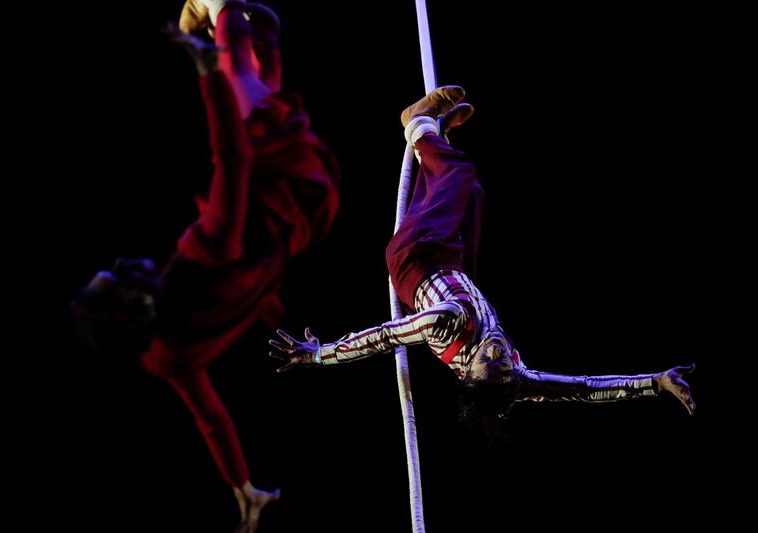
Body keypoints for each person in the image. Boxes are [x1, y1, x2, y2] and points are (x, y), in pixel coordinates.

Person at [269, 86, 695, 438]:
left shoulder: (446, 322)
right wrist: (653, 383)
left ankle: (417, 123)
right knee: (471, 196)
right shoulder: (513, 378)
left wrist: (320, 354)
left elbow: (383, 337)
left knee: (458, 176)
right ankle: (437, 136)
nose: (497, 355)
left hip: (417, 259)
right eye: (504, 364)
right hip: (457, 268)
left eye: (487, 363)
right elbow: (583, 389)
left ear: (466, 373)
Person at [73, 2, 340, 531]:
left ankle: (253, 23)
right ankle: (218, 11)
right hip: (291, 184)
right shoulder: (200, 261)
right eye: (118, 274)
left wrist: (242, 487)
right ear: (135, 298)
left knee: (260, 78)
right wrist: (204, 76)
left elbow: (213, 421)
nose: (124, 262)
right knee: (237, 75)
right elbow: (234, 163)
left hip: (303, 223)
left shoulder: (168, 352)